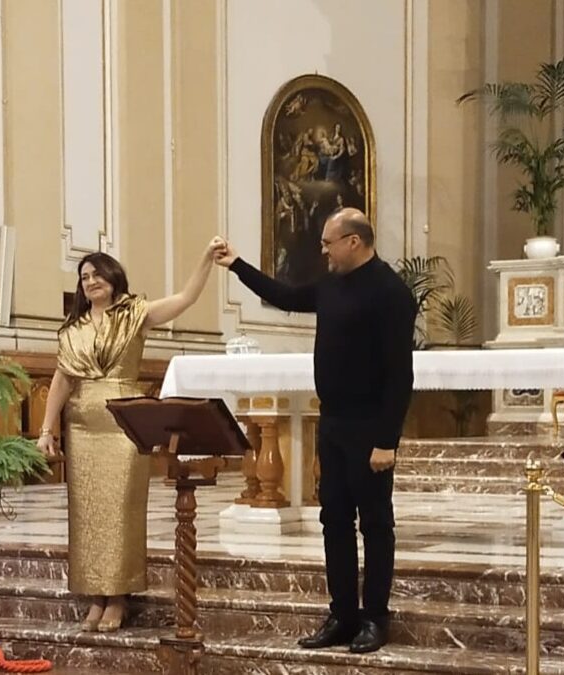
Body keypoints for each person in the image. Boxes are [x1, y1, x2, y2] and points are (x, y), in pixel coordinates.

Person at [214, 208, 416, 653]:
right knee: (334, 520)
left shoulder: (391, 293)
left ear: (354, 242)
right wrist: (237, 265)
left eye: (328, 242)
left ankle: (375, 618)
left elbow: (401, 374)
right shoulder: (331, 286)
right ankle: (342, 615)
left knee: (376, 524)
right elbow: (285, 297)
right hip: (335, 421)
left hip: (370, 427)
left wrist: (387, 441)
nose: (322, 249)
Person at [38, 238, 226, 633]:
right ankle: (96, 596)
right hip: (83, 427)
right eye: (84, 276)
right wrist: (46, 428)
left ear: (113, 276)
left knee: (121, 510)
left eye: (97, 273)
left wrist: (206, 259)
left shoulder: (135, 315)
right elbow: (62, 379)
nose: (91, 281)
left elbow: (186, 298)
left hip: (125, 425)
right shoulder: (73, 330)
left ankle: (119, 596)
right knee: (87, 514)